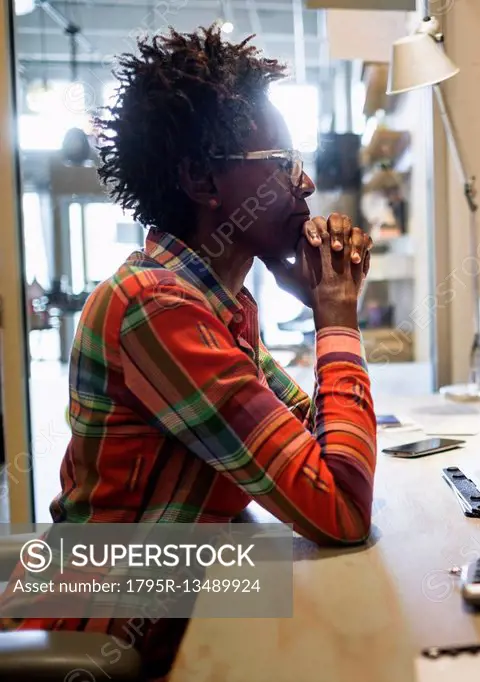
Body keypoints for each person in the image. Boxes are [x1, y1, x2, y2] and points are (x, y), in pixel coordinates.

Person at [0, 25, 377, 677]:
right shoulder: (158, 308)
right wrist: (335, 316)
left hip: (173, 596)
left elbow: (310, 451)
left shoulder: (213, 305)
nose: (307, 182)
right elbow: (341, 508)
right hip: (106, 628)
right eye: (283, 161)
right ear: (204, 180)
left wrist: (321, 309)